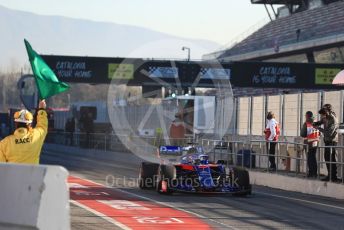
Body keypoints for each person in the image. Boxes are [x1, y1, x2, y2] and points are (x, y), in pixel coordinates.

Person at [0, 100, 48, 164]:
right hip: (33, 174)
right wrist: (42, 109)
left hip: (12, 174)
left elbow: (2, 166)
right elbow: (43, 125)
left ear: (16, 123)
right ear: (29, 124)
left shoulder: (4, 143)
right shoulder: (36, 136)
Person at [313, 106, 339, 181]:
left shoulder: (333, 119)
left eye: (322, 115)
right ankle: (330, 175)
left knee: (331, 158)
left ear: (327, 113)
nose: (322, 117)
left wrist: (318, 128)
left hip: (332, 141)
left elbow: (329, 133)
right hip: (327, 140)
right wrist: (315, 123)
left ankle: (333, 176)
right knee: (327, 158)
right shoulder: (325, 117)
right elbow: (320, 122)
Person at [300, 111, 320, 178]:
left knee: (309, 159)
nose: (305, 117)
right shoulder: (316, 121)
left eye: (305, 115)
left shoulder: (306, 122)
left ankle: (311, 173)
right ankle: (315, 173)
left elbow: (302, 134)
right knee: (313, 158)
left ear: (307, 116)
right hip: (315, 142)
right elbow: (319, 132)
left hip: (309, 143)